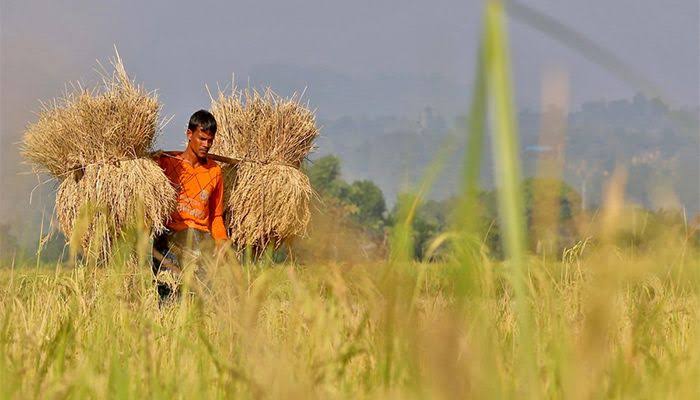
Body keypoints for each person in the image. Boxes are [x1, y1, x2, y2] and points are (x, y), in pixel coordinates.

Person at [152, 109, 228, 301]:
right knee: (168, 293)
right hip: (169, 236)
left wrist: (221, 240)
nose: (206, 145)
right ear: (189, 134)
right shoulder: (167, 163)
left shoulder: (214, 172)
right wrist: (150, 160)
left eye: (210, 140)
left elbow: (216, 215)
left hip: (199, 238)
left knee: (201, 299)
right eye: (202, 139)